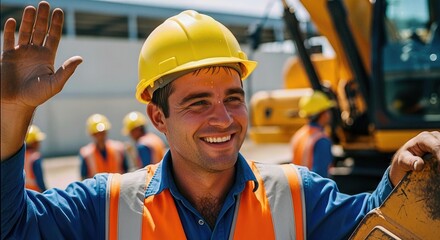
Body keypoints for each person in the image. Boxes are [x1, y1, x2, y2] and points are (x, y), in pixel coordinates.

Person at [1, 2, 439, 239]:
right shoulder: (106, 207)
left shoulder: (298, 196)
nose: (224, 118)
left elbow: (371, 224)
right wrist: (13, 112)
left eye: (233, 97)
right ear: (158, 116)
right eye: (198, 103)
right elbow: (13, 227)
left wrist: (397, 176)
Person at [290, 91, 335, 177]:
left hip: (299, 187)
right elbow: (320, 177)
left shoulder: (298, 135)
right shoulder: (321, 140)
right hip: (312, 189)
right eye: (327, 110)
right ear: (322, 113)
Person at [79, 113, 128, 179]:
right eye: (97, 133)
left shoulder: (119, 149)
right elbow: (84, 178)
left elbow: (126, 172)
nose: (100, 136)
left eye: (102, 133)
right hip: (96, 189)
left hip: (117, 188)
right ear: (92, 134)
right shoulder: (86, 154)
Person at [24, 124, 47, 192]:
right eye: (37, 141)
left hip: (23, 194)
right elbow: (39, 179)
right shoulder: (35, 157)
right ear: (32, 142)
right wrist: (45, 192)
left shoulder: (20, 157)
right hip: (35, 194)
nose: (39, 144)